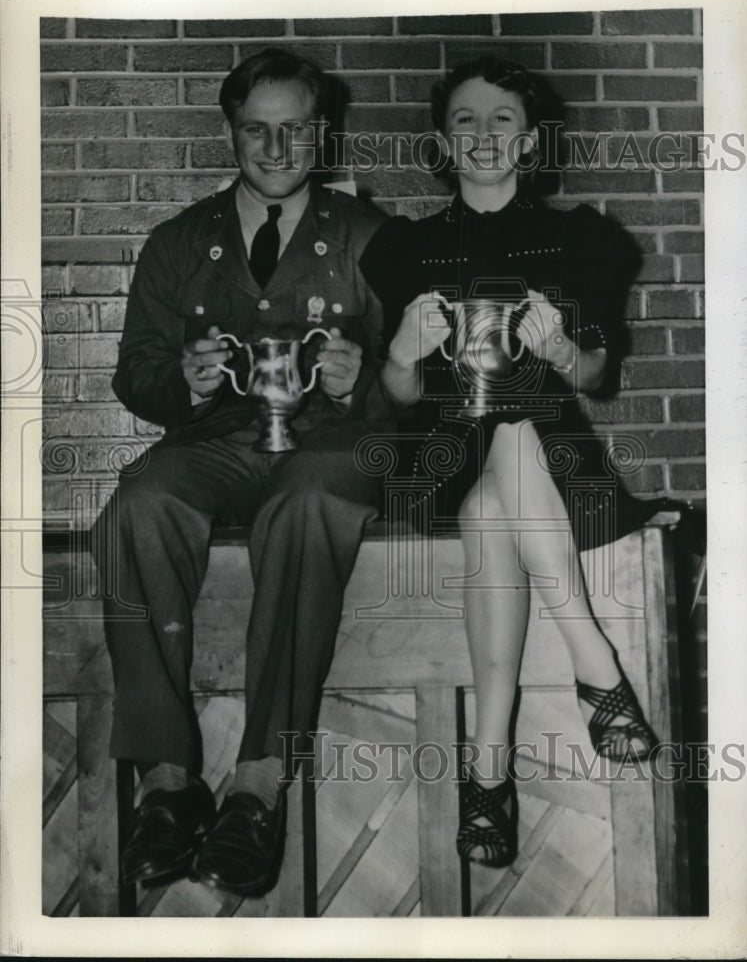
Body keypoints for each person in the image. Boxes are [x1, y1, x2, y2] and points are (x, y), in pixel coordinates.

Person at [93, 47, 391, 898]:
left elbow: (421, 383)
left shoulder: (373, 238)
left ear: (320, 134)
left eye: (292, 128)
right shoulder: (179, 241)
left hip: (330, 443)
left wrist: (360, 375)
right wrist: (176, 381)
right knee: (138, 506)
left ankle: (260, 780)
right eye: (256, 129)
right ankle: (165, 781)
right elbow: (136, 372)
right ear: (231, 132)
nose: (274, 146)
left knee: (315, 502)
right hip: (217, 440)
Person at [360, 56, 659, 870]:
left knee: (509, 466)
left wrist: (561, 345)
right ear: (441, 141)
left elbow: (598, 377)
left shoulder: (577, 238)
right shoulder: (403, 247)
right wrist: (401, 348)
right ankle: (593, 663)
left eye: (501, 120)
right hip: (437, 454)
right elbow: (390, 396)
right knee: (498, 454)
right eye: (464, 119)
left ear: (528, 140)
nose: (484, 135)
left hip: (555, 463)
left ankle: (485, 770)